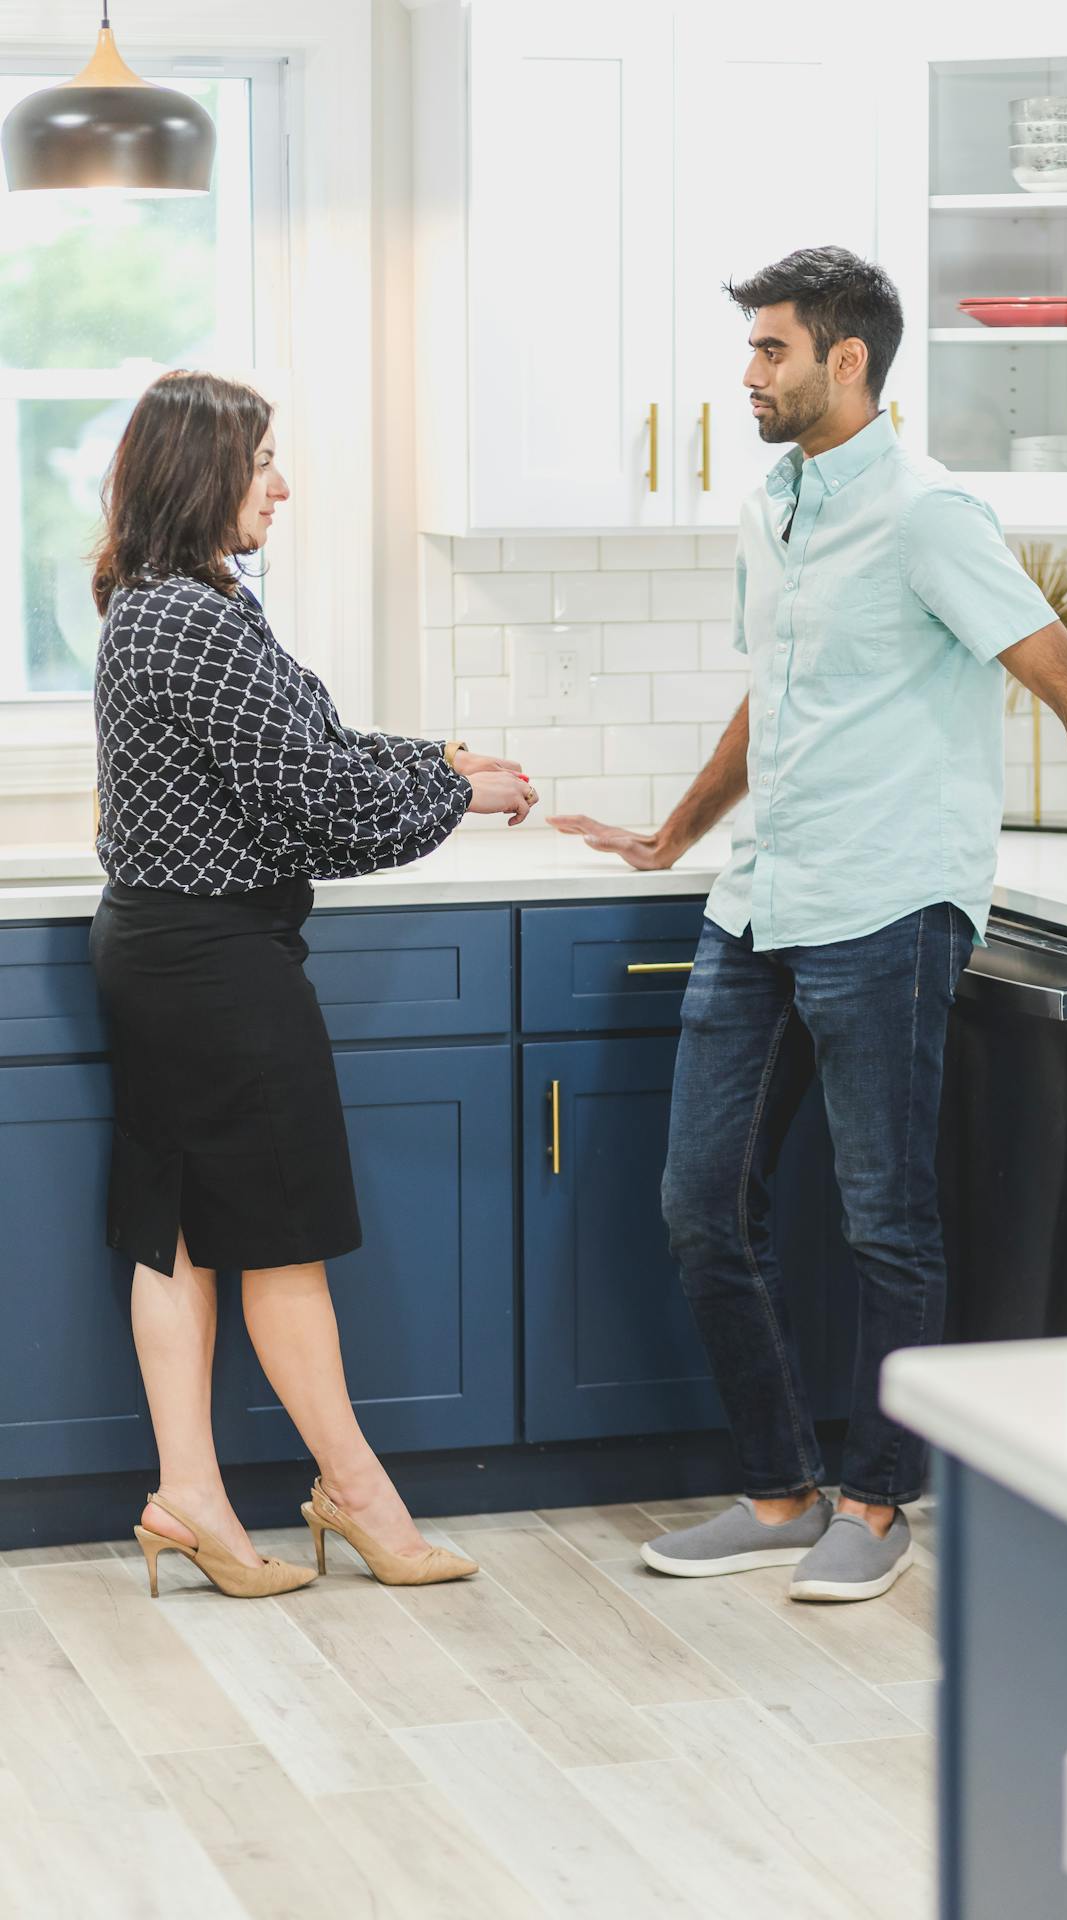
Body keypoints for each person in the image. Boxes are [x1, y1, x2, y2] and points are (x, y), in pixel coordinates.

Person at [550, 247, 1067, 1604]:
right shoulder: (778, 506)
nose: (747, 374)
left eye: (771, 351)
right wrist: (674, 835)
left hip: (887, 906)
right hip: (762, 898)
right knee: (702, 1205)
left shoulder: (931, 516)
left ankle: (878, 1498)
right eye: (749, 349)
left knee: (885, 1221)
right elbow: (776, 693)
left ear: (846, 360)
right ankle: (777, 1488)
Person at [89, 369, 539, 1598]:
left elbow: (314, 751)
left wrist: (430, 755)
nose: (280, 486)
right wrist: (459, 794)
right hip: (218, 968)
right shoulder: (195, 619)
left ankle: (189, 1499)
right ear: (204, 476)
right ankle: (359, 1498)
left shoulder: (166, 602)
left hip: (162, 949)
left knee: (175, 1233)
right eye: (262, 462)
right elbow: (328, 808)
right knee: (279, 1244)